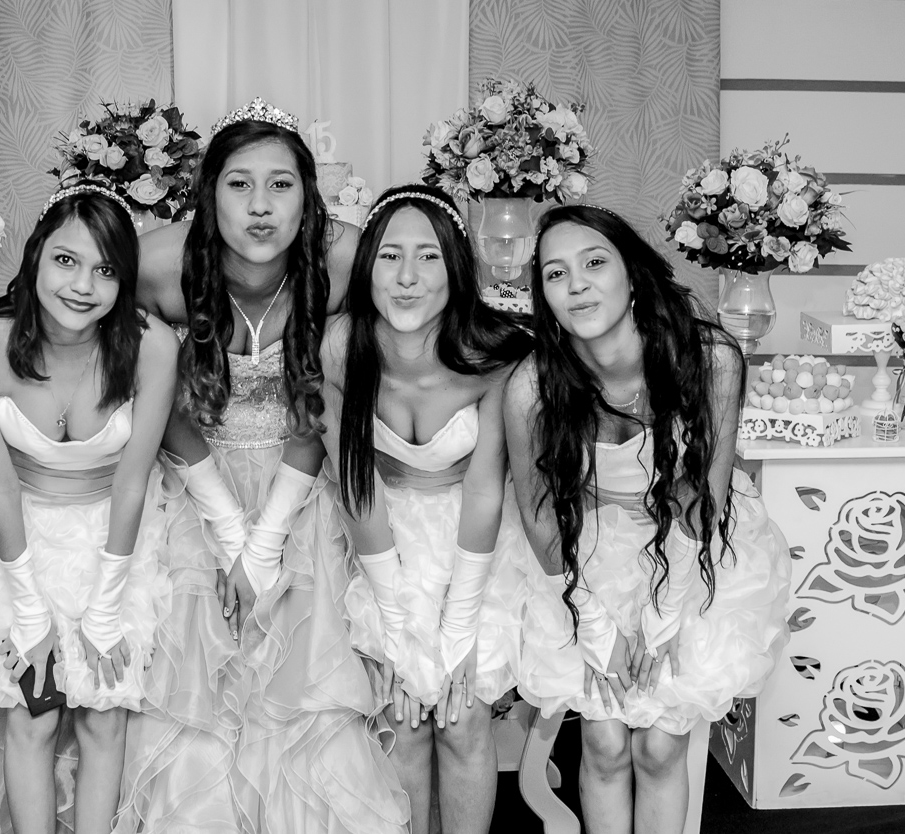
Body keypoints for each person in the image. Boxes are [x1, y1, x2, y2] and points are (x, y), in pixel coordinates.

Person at [128, 98, 409, 833]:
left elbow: (329, 395)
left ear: (307, 197)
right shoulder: (156, 266)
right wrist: (229, 531)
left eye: (281, 186)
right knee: (198, 682)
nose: (261, 207)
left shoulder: (344, 261)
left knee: (305, 689)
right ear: (208, 193)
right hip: (194, 482)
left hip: (303, 482)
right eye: (239, 185)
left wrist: (267, 541)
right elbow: (151, 396)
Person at [503, 204, 790, 833]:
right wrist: (595, 626)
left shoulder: (709, 359)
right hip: (577, 555)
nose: (577, 285)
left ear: (632, 273)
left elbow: (701, 499)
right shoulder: (533, 384)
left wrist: (662, 618)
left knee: (660, 746)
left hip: (690, 551)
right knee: (604, 741)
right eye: (555, 274)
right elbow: (539, 511)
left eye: (594, 263)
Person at [0, 183, 176, 834]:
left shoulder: (151, 346)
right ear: (35, 255)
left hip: (113, 538)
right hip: (10, 538)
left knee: (104, 718)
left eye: (105, 270)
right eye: (66, 260)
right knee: (33, 713)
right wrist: (30, 613)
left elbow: (133, 483)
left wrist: (105, 608)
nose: (83, 286)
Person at [319, 184, 532, 833]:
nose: (407, 277)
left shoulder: (498, 355)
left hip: (477, 546)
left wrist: (458, 626)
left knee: (462, 721)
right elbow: (355, 481)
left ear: (456, 267)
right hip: (380, 539)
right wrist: (394, 620)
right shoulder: (340, 346)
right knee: (403, 716)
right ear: (367, 267)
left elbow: (487, 490)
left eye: (428, 256)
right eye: (389, 256)